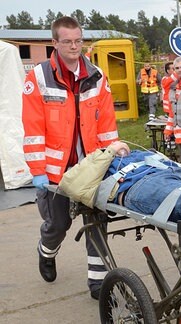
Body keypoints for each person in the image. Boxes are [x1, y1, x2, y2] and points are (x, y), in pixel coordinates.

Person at [22, 16, 119, 300]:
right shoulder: (38, 78)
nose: (74, 46)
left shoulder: (97, 77)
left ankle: (98, 284)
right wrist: (38, 170)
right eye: (67, 41)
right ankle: (46, 251)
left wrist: (111, 157)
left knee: (97, 222)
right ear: (55, 42)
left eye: (78, 41)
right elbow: (33, 129)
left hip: (90, 167)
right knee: (58, 225)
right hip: (55, 172)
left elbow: (107, 125)